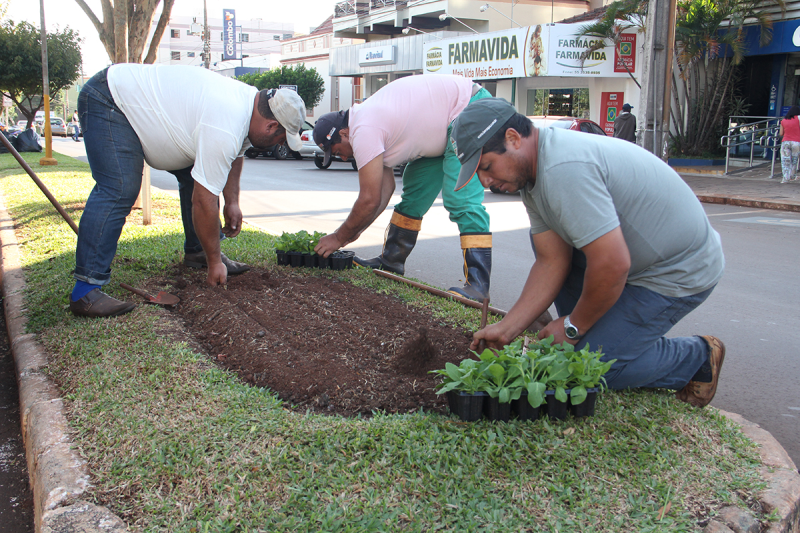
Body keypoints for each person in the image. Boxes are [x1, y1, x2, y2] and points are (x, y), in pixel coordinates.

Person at [450, 98, 726, 407]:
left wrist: (572, 327)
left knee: (589, 368)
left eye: (487, 167)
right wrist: (506, 329)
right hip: (626, 262)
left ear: (514, 139)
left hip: (675, 271)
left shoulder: (563, 169)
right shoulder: (531, 175)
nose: (486, 181)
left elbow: (613, 264)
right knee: (579, 338)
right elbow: (551, 260)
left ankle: (696, 356)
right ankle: (612, 336)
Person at [70, 64, 305, 318]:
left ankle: (198, 251)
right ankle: (85, 291)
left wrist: (232, 202)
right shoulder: (226, 124)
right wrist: (216, 263)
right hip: (111, 99)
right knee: (119, 188)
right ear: (270, 126)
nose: (279, 144)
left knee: (197, 176)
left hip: (144, 109)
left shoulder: (251, 106)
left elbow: (235, 156)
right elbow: (204, 201)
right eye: (282, 138)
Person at [311, 74, 494, 301]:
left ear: (343, 133)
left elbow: (368, 200)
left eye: (337, 151)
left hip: (469, 109)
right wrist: (353, 233)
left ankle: (478, 286)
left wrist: (339, 238)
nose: (342, 157)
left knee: (461, 199)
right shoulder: (370, 124)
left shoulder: (363, 128)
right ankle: (391, 262)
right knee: (414, 197)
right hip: (443, 128)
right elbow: (380, 195)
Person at [778, 105, 800, 183]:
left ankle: (785, 178)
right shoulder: (799, 118)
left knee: (785, 161)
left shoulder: (783, 121)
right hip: (796, 142)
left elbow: (781, 133)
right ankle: (792, 176)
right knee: (794, 160)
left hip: (785, 142)